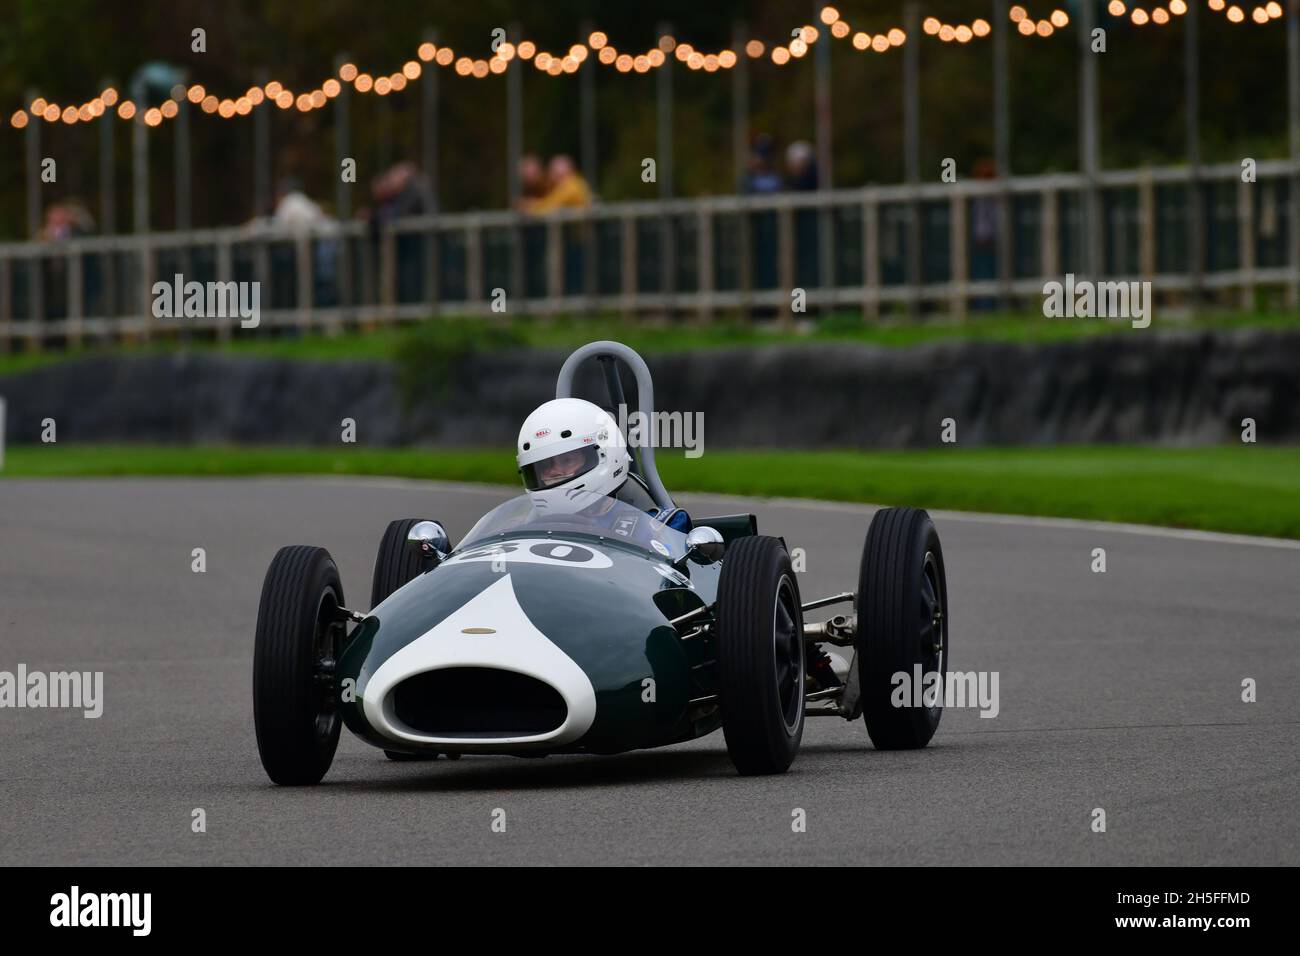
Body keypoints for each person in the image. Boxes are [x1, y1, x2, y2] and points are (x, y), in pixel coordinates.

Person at [516, 398, 690, 531]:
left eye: (567, 461)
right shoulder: (526, 530)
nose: (553, 472)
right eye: (544, 466)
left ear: (606, 453)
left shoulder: (654, 527)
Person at [524, 155, 592, 212]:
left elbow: (550, 206)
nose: (551, 178)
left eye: (555, 175)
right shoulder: (576, 183)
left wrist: (531, 207)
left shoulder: (571, 186)